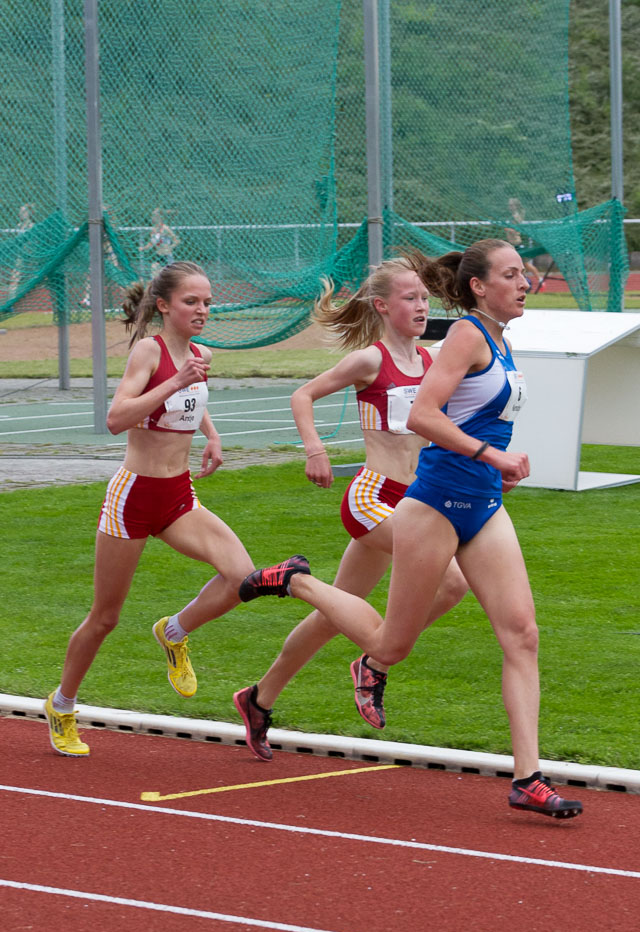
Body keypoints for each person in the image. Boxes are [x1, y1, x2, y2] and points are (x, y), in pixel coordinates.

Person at [238, 239, 583, 820]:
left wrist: (495, 464)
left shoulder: (498, 339)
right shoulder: (465, 336)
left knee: (522, 633)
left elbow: (459, 420)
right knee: (388, 643)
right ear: (480, 285)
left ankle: (528, 778)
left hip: (481, 504)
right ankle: (297, 581)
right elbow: (423, 414)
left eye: (524, 274)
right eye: (512, 274)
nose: (525, 282)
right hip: (422, 505)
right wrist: (488, 455)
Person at [232, 261, 469, 760]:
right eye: (410, 298)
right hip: (372, 497)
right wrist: (315, 450)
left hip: (416, 499)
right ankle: (349, 633)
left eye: (425, 298)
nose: (422, 306)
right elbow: (303, 395)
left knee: (334, 617)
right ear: (383, 306)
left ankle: (258, 699)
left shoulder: (431, 363)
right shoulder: (369, 360)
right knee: (452, 583)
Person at [44, 261, 255, 757]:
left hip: (178, 496)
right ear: (164, 306)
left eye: (207, 301)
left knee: (241, 577)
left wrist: (213, 435)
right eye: (191, 302)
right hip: (134, 498)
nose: (203, 310)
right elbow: (117, 417)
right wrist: (176, 380)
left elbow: (192, 402)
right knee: (105, 617)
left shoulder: (199, 354)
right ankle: (62, 704)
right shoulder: (149, 351)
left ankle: (174, 631)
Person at [505, 198, 543, 292]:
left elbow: (517, 229)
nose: (509, 207)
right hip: (511, 244)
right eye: (509, 205)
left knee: (525, 264)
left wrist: (508, 229)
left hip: (517, 244)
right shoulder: (512, 216)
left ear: (515, 206)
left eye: (511, 205)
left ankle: (540, 280)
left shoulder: (517, 216)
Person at [139, 207, 180, 277]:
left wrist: (170, 247)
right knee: (154, 271)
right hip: (158, 255)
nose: (153, 218)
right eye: (152, 216)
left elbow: (177, 240)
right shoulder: (154, 229)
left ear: (159, 217)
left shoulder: (165, 228)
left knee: (168, 275)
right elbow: (151, 243)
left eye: (154, 216)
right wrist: (143, 248)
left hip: (166, 255)